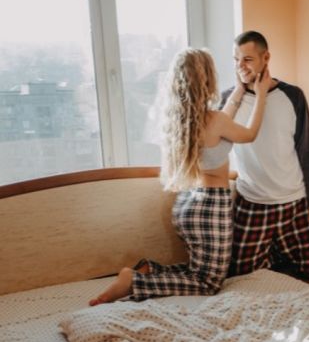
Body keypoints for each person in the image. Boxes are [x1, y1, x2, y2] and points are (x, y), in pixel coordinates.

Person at [89, 48, 270, 306]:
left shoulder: (183, 121)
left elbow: (223, 121)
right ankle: (135, 281)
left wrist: (240, 91)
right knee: (208, 283)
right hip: (212, 207)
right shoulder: (215, 119)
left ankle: (147, 271)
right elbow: (249, 133)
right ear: (207, 78)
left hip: (187, 204)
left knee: (195, 272)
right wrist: (261, 95)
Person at [221, 30, 309, 279]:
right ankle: (272, 251)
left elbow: (307, 150)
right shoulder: (228, 100)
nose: (240, 66)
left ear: (266, 57)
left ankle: (276, 251)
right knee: (239, 276)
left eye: (247, 59)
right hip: (253, 202)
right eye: (236, 59)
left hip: (295, 201)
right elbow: (213, 146)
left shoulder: (293, 96)